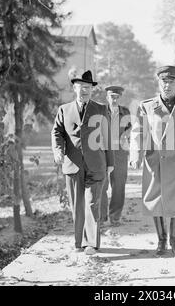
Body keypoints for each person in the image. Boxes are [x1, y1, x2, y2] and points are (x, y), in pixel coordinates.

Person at [130, 65, 175, 257]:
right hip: (156, 161)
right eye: (164, 81)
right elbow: (138, 131)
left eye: (171, 82)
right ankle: (161, 240)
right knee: (156, 202)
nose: (167, 85)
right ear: (159, 83)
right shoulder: (146, 106)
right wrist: (136, 155)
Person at [51, 69, 114, 255]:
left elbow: (107, 136)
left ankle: (91, 244)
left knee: (92, 203)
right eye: (81, 87)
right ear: (74, 88)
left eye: (88, 87)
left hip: (96, 164)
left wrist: (110, 162)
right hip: (73, 164)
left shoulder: (101, 109)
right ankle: (79, 242)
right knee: (77, 206)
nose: (84, 91)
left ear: (92, 89)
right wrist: (58, 151)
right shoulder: (64, 109)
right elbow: (57, 132)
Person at [101, 85, 132, 226]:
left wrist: (127, 134)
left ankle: (115, 217)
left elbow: (130, 127)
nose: (114, 99)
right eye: (111, 96)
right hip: (102, 151)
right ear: (107, 97)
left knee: (119, 185)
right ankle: (101, 217)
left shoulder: (125, 112)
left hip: (120, 152)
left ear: (120, 98)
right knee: (101, 184)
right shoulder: (100, 111)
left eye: (117, 97)